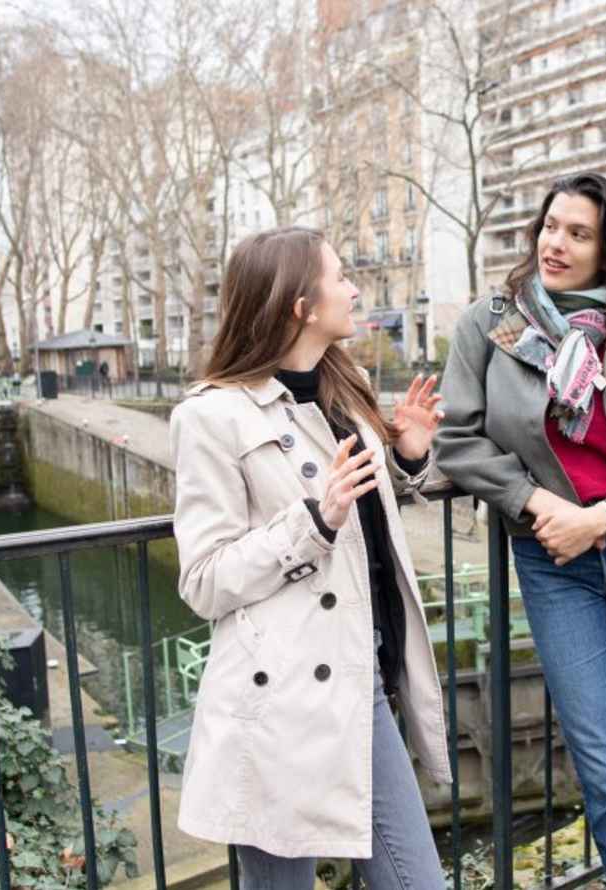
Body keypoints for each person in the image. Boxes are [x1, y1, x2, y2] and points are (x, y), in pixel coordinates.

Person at [437, 172, 606, 890]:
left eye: (578, 233)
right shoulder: (489, 324)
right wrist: (535, 504)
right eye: (549, 227)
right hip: (554, 560)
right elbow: (459, 442)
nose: (554, 244)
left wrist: (605, 515)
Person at [169, 226, 451, 889]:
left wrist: (407, 458)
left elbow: (363, 525)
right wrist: (310, 523)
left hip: (362, 677)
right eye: (341, 277)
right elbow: (204, 581)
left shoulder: (341, 392)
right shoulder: (211, 417)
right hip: (277, 707)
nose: (354, 288)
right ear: (300, 304)